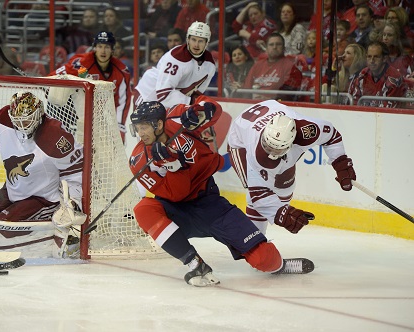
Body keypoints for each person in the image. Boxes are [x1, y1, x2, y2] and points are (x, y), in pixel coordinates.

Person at [128, 97, 314, 287]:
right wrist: (174, 165)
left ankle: (280, 266)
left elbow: (215, 111)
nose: (140, 133)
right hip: (176, 208)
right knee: (144, 209)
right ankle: (195, 263)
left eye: (144, 127)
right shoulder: (139, 161)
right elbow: (177, 195)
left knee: (263, 259)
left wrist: (202, 109)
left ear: (159, 124)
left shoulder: (176, 118)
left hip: (209, 202)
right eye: (137, 127)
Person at [0, 91, 85, 257]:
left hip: (43, 199)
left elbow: (77, 171)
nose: (23, 124)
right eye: (18, 120)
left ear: (39, 114)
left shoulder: (54, 135)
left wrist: (73, 203)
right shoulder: (2, 119)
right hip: (12, 191)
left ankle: (67, 238)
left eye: (27, 119)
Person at [227, 100, 356, 237]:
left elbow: (331, 136)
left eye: (276, 150)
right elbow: (259, 195)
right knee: (255, 196)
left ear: (291, 142)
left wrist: (340, 164)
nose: (271, 154)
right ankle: (254, 241)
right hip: (240, 143)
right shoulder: (257, 154)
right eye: (268, 146)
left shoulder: (307, 131)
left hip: (271, 112)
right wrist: (282, 214)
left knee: (284, 187)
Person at [52, 31, 132, 142]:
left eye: (107, 47)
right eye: (100, 46)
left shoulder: (122, 71)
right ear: (94, 48)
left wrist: (120, 127)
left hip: (104, 118)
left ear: (112, 50)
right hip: (75, 113)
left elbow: (123, 102)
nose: (103, 51)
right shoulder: (81, 63)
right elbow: (55, 76)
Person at [133, 22, 216, 109]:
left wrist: (197, 104)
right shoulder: (176, 57)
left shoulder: (209, 65)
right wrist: (192, 103)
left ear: (207, 42)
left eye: (201, 41)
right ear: (188, 39)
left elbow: (196, 94)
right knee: (144, 122)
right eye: (193, 40)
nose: (196, 45)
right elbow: (163, 95)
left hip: (172, 100)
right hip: (148, 94)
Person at [243, 33, 302, 101]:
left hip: (276, 107)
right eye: (271, 44)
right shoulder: (257, 65)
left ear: (284, 48)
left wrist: (269, 100)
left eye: (278, 44)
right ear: (266, 48)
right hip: (254, 105)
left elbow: (288, 95)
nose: (274, 47)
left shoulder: (291, 67)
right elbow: (246, 90)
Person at [349, 41, 406, 107]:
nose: (372, 60)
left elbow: (388, 110)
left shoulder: (394, 78)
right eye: (369, 56)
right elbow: (355, 102)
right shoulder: (363, 74)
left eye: (376, 57)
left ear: (384, 58)